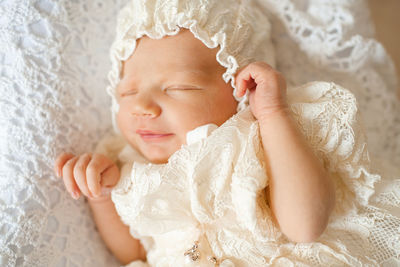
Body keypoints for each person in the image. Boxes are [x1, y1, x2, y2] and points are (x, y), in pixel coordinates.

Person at [53, 0, 400, 266]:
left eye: (179, 87)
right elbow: (133, 252)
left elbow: (305, 225)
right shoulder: (128, 165)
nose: (143, 106)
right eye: (127, 93)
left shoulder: (258, 138)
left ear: (242, 87)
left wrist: (272, 113)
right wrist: (101, 197)